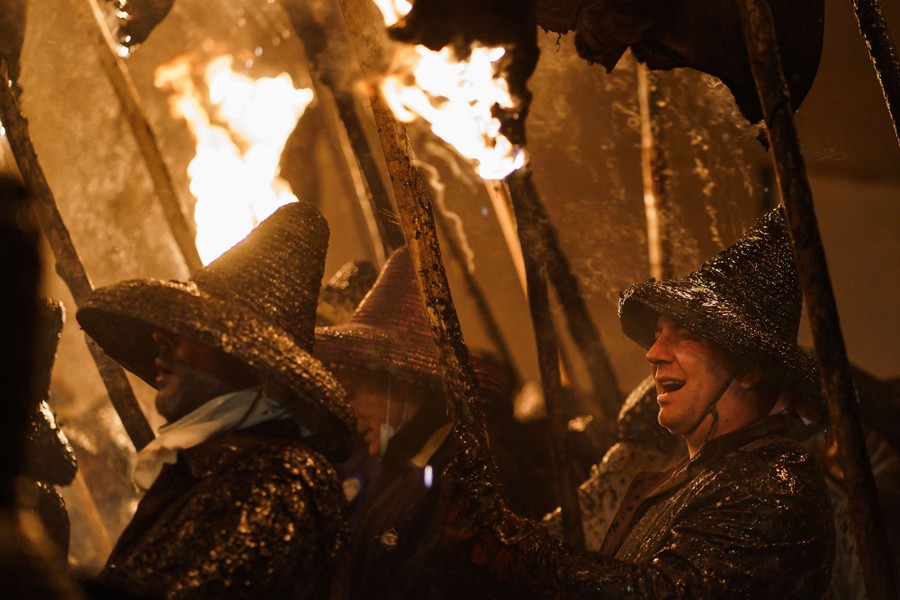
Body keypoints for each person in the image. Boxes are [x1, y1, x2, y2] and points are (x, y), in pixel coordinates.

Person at [442, 206, 835, 598]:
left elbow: (660, 594)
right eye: (659, 333)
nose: (654, 351)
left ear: (749, 367)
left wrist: (508, 547)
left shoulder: (772, 486)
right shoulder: (708, 476)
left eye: (684, 333)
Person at [75, 201, 356, 598]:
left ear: (253, 363)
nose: (160, 336)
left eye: (193, 329)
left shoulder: (279, 481)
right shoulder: (217, 466)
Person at [315, 247, 530, 599]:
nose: (347, 411)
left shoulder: (472, 476)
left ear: (396, 383)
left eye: (352, 391)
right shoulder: (402, 470)